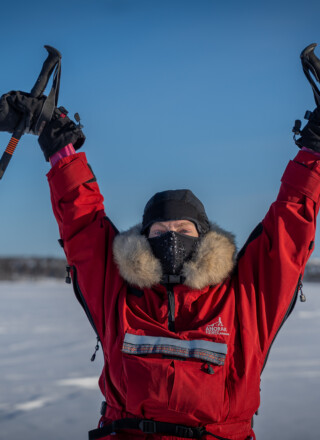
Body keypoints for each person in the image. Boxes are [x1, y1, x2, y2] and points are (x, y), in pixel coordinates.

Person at [1, 89, 320, 440]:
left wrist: (314, 151)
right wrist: (59, 146)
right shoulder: (118, 293)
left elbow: (288, 230)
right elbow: (84, 228)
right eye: (160, 230)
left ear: (203, 238)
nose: (171, 237)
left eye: (183, 229)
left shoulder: (243, 298)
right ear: (143, 240)